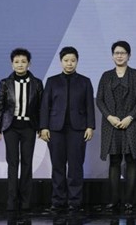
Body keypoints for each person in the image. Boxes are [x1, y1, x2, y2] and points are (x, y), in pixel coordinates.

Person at [40, 46, 95, 212]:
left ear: (77, 62)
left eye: (72, 60)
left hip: (78, 129)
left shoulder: (85, 81)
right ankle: (58, 200)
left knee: (76, 166)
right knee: (57, 166)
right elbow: (45, 106)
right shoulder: (52, 81)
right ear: (61, 62)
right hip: (55, 129)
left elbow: (89, 106)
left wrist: (90, 126)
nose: (69, 64)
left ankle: (75, 201)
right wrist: (43, 127)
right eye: (66, 60)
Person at [96, 41, 136, 212]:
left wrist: (129, 117)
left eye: (123, 53)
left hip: (132, 123)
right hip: (111, 124)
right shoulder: (106, 76)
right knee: (114, 161)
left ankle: (129, 200)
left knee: (131, 160)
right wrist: (109, 117)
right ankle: (114, 199)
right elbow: (99, 100)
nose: (119, 56)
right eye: (116, 53)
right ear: (112, 56)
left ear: (129, 55)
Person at [0, 48, 44, 211]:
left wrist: (42, 128)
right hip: (11, 128)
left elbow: (41, 108)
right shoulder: (5, 83)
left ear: (29, 64)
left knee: (27, 163)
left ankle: (25, 202)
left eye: (23, 61)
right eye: (16, 62)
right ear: (12, 64)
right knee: (12, 163)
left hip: (29, 127)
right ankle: (12, 201)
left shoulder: (37, 83)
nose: (20, 65)